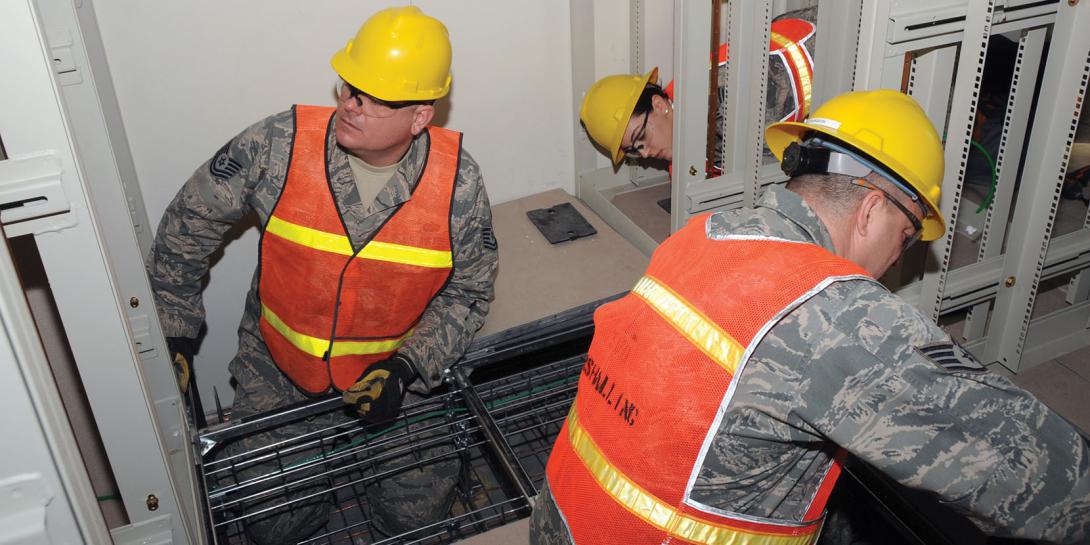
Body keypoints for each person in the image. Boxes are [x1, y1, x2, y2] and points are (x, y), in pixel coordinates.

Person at [529, 89, 1090, 545]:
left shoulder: (699, 235)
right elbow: (1054, 483)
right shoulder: (835, 314)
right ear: (872, 209)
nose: (899, 257)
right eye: (907, 235)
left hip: (563, 519)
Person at [147, 6, 497, 544]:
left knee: (416, 520)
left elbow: (469, 291)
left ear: (420, 117)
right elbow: (187, 225)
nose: (348, 105)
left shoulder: (459, 186)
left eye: (370, 97)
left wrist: (407, 367)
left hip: (393, 379)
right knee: (271, 520)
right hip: (280, 370)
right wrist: (173, 331)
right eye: (348, 86)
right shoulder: (280, 146)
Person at [580, 10, 817, 168]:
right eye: (633, 150)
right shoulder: (685, 97)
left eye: (641, 137)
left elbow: (765, 179)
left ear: (659, 104)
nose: (645, 154)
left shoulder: (725, 105)